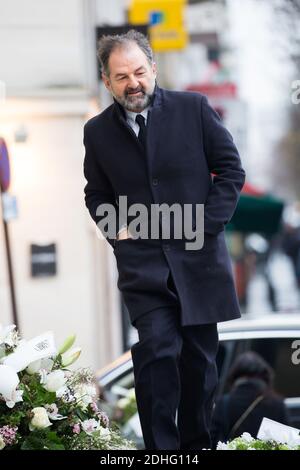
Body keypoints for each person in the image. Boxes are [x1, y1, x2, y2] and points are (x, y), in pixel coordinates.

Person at [83, 30, 245, 450]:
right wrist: (117, 232)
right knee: (156, 353)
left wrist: (206, 225)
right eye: (121, 77)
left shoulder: (193, 108)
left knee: (200, 367)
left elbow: (230, 170)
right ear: (107, 81)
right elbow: (96, 193)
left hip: (198, 265)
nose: (133, 83)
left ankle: (197, 448)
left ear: (153, 68)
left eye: (139, 71)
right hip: (144, 268)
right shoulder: (97, 132)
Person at [211, 351, 290, 448]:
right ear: (264, 375)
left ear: (235, 375)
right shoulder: (277, 404)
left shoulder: (223, 403)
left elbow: (212, 439)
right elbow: (287, 442)